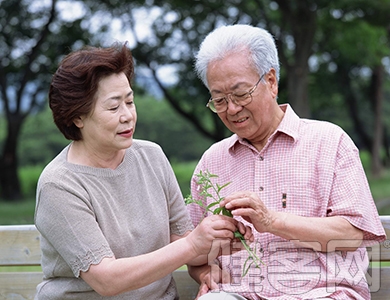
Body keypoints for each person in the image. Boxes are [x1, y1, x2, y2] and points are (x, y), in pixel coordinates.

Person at [34, 42, 252, 299]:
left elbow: (181, 240)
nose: (128, 115)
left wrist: (224, 236)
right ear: (77, 117)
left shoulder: (151, 156)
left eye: (130, 101)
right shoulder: (59, 185)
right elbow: (107, 280)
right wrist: (192, 244)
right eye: (114, 107)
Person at [186, 24, 386, 300]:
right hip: (240, 294)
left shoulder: (329, 141)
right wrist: (205, 272)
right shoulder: (213, 161)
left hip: (320, 293)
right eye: (219, 100)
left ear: (270, 82)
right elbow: (194, 251)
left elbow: (353, 234)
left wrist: (272, 221)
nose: (231, 109)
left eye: (241, 94)